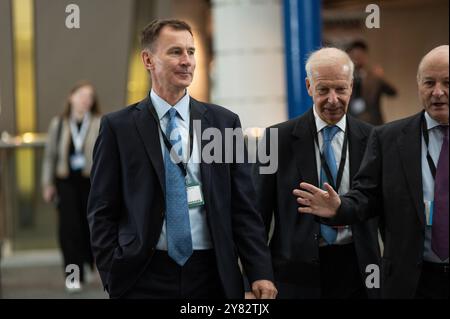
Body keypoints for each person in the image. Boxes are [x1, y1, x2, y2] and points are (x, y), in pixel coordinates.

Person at [87, 19, 277, 299]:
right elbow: (101, 209)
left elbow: (244, 207)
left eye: (191, 52)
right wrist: (112, 272)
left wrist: (259, 270)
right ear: (148, 59)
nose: (187, 61)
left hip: (212, 274)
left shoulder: (224, 123)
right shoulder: (119, 127)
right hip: (143, 274)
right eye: (175, 52)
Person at [294, 45, 449, 299]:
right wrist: (339, 208)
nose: (438, 92)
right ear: (419, 83)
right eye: (429, 82)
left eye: (447, 82)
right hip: (411, 283)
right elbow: (366, 195)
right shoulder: (389, 138)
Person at [253, 48, 380, 299]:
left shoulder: (374, 139)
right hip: (295, 275)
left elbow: (383, 208)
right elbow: (257, 216)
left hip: (359, 272)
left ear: (351, 87)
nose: (332, 99)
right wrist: (258, 273)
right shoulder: (276, 140)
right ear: (309, 86)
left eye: (340, 89)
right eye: (323, 90)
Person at [42, 81, 101, 291]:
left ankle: (88, 262)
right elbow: (50, 157)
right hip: (65, 183)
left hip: (91, 183)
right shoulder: (58, 123)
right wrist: (47, 184)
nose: (85, 100)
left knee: (90, 229)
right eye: (81, 95)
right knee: (69, 231)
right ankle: (73, 275)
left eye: (89, 97)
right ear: (71, 97)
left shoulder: (98, 123)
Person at [347, 40, 397, 125]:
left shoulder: (374, 77)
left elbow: (393, 92)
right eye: (355, 56)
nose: (357, 59)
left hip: (373, 123)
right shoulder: (345, 77)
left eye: (360, 55)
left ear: (365, 56)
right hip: (352, 123)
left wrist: (381, 78)